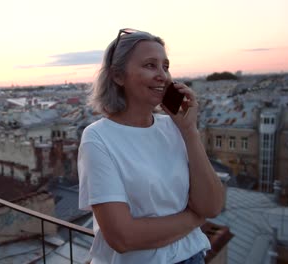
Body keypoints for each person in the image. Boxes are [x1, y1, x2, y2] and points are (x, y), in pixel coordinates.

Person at [78, 28, 225, 264]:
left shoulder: (175, 127)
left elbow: (212, 205)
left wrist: (190, 131)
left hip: (194, 257)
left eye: (165, 66)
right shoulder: (98, 138)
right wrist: (194, 218)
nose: (163, 76)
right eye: (150, 65)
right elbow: (122, 237)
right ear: (117, 76)